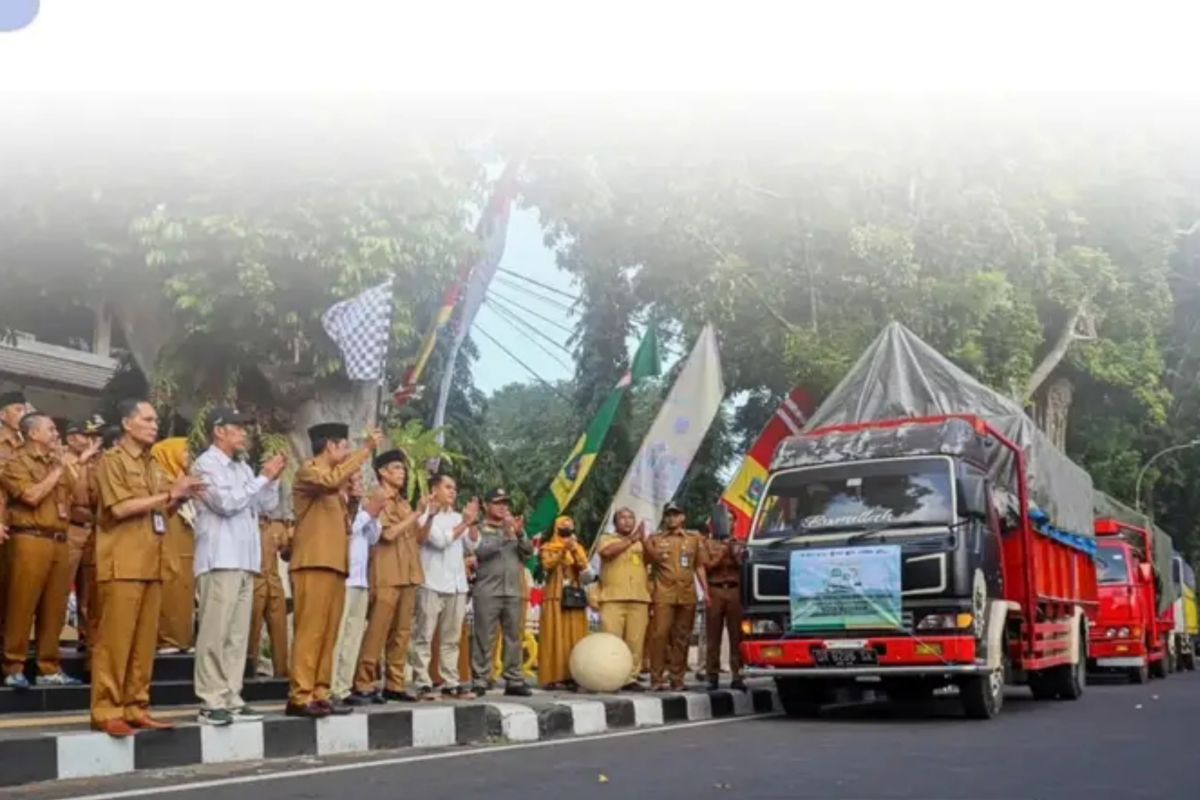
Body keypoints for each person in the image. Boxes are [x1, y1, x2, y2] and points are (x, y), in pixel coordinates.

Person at [91, 399, 205, 737]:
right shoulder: (112, 461)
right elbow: (121, 508)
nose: (155, 425)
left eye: (156, 420)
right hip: (123, 562)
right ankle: (106, 709)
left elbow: (160, 513)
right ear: (127, 424)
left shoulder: (153, 464)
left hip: (152, 562)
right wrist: (170, 493)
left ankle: (135, 706)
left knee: (143, 645)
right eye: (148, 419)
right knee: (115, 642)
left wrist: (179, 499)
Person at [190, 407, 285, 726]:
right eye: (239, 428)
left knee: (237, 634)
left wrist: (271, 482)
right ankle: (210, 699)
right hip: (220, 558)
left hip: (246, 560)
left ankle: (231, 695)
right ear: (219, 430)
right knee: (215, 632)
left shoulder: (243, 467)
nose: (245, 434)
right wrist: (263, 478)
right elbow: (226, 504)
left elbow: (265, 505)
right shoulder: (205, 464)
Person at [288, 422, 382, 718]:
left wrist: (353, 502)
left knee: (329, 634)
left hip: (335, 564)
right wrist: (366, 450)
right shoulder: (310, 471)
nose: (347, 452)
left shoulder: (335, 484)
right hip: (313, 561)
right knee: (310, 632)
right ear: (330, 446)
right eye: (344, 446)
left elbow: (345, 526)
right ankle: (299, 695)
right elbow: (329, 482)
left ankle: (320, 692)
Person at [0, 412, 99, 688]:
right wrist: (58, 472)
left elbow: (70, 498)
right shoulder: (15, 463)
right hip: (28, 538)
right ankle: (13, 666)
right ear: (33, 434)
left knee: (54, 607)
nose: (57, 434)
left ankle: (48, 667)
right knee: (21, 604)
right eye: (51, 429)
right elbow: (30, 496)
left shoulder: (59, 464)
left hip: (59, 538)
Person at [351, 449, 428, 703]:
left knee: (402, 632)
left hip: (407, 572)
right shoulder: (378, 497)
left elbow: (418, 538)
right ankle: (363, 682)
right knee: (378, 629)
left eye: (403, 469)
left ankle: (394, 683)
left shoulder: (404, 502)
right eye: (397, 468)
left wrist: (429, 515)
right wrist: (416, 515)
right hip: (385, 572)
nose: (402, 473)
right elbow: (387, 534)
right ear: (382, 472)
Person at [411, 474, 479, 701]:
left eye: (455, 488)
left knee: (451, 639)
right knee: (424, 636)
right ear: (434, 489)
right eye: (448, 487)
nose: (453, 492)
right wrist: (465, 523)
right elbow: (440, 541)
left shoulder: (459, 517)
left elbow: (473, 543)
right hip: (431, 582)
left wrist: (473, 522)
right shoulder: (424, 516)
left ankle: (451, 682)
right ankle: (422, 682)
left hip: (457, 585)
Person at [470, 488, 533, 697]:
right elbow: (479, 551)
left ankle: (514, 679)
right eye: (497, 503)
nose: (503, 507)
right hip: (488, 590)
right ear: (486, 506)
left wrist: (520, 533)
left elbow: (528, 553)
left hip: (514, 590)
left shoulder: (514, 528)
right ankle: (481, 679)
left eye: (505, 503)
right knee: (483, 637)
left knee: (514, 637)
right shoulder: (479, 528)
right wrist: (505, 536)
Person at [331, 473, 385, 708]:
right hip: (343, 578)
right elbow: (347, 531)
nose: (359, 487)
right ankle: (330, 686)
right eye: (355, 481)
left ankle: (343, 687)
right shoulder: (336, 502)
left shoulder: (363, 509)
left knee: (353, 637)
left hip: (361, 580)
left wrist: (372, 515)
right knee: (338, 636)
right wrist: (366, 513)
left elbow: (374, 538)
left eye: (362, 482)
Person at [645, 501, 707, 692]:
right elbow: (648, 567)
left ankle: (677, 678)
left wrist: (706, 591)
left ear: (683, 517)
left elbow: (699, 566)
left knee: (682, 637)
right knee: (659, 636)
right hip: (663, 593)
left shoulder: (694, 539)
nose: (672, 518)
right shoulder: (655, 539)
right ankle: (656, 678)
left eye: (676, 514)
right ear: (664, 518)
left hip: (687, 594)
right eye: (669, 515)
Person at [596, 508, 653, 691]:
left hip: (639, 598)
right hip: (612, 598)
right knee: (611, 641)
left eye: (631, 518)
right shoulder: (607, 539)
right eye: (623, 518)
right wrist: (631, 540)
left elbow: (654, 560)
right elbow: (607, 553)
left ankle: (630, 678)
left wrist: (644, 540)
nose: (627, 521)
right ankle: (611, 677)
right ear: (616, 522)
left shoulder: (642, 543)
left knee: (635, 642)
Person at [151, 438, 197, 655]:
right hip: (168, 535)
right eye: (185, 453)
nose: (189, 458)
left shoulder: (187, 480)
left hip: (187, 540)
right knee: (171, 582)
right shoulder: (160, 479)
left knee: (186, 587)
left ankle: (183, 638)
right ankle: (166, 638)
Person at [63, 416, 104, 654]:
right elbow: (65, 491)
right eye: (85, 436)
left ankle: (88, 644)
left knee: (90, 593)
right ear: (70, 438)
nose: (91, 441)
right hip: (71, 528)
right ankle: (45, 645)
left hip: (94, 530)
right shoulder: (64, 460)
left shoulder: (99, 462)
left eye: (93, 436)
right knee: (59, 590)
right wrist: (82, 462)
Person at [538, 516, 591, 690]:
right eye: (563, 528)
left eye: (569, 528)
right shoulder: (547, 547)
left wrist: (574, 549)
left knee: (574, 637)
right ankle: (552, 677)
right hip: (555, 596)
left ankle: (573, 675)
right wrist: (562, 551)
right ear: (556, 529)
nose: (566, 531)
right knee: (554, 637)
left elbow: (584, 567)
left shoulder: (578, 547)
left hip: (573, 597)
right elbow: (547, 565)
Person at [0, 390, 32, 650]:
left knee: (14, 594)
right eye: (17, 410)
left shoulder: (27, 446)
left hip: (20, 526)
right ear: (3, 415)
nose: (23, 415)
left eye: (25, 410)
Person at [248, 510, 291, 678]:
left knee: (280, 630)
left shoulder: (277, 525)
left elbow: (287, 555)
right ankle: (249, 672)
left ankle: (281, 674)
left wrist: (291, 539)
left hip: (274, 582)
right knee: (252, 630)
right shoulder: (248, 523)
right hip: (255, 581)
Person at [702, 532, 746, 691]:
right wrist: (721, 553)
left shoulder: (740, 543)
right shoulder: (707, 544)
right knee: (713, 635)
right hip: (715, 588)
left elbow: (744, 565)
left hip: (734, 589)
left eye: (730, 520)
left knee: (737, 635)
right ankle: (712, 675)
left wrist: (734, 553)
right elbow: (706, 566)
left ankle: (738, 675)